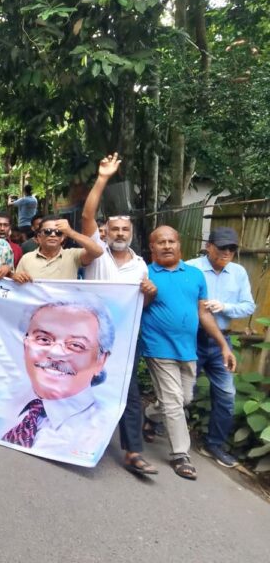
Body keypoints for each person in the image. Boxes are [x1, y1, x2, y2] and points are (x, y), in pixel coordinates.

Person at [82, 153, 159, 476]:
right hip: (88, 335)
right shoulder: (97, 254)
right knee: (82, 383)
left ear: (131, 232)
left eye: (125, 229)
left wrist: (149, 294)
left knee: (127, 390)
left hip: (125, 338)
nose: (119, 233)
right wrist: (102, 178)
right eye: (114, 228)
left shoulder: (141, 266)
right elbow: (87, 215)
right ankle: (75, 440)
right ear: (105, 232)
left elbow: (141, 305)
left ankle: (132, 452)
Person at [140, 226, 237, 480]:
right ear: (152, 247)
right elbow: (136, 307)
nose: (167, 246)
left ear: (179, 244)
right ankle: (180, 455)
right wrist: (147, 294)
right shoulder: (145, 274)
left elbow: (203, 313)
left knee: (184, 399)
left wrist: (223, 345)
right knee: (173, 400)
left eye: (171, 241)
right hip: (158, 347)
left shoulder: (195, 275)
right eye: (161, 242)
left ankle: (150, 415)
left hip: (187, 349)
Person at [1, 297, 115, 454]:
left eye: (75, 345)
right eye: (43, 339)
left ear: (101, 360)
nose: (55, 352)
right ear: (25, 345)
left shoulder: (98, 429)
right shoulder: (1, 398)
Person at [186, 227, 255, 468]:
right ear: (209, 246)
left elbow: (248, 306)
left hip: (221, 343)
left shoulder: (238, 273)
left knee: (227, 394)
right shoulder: (191, 267)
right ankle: (156, 422)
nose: (227, 252)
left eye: (232, 248)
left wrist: (224, 306)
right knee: (183, 389)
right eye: (222, 247)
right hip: (192, 337)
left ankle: (213, 444)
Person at [13, 215, 103, 282]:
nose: (53, 235)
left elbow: (98, 251)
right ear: (39, 237)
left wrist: (70, 232)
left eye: (58, 232)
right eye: (47, 231)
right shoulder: (26, 258)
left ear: (63, 238)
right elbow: (17, 287)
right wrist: (15, 277)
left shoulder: (73, 255)